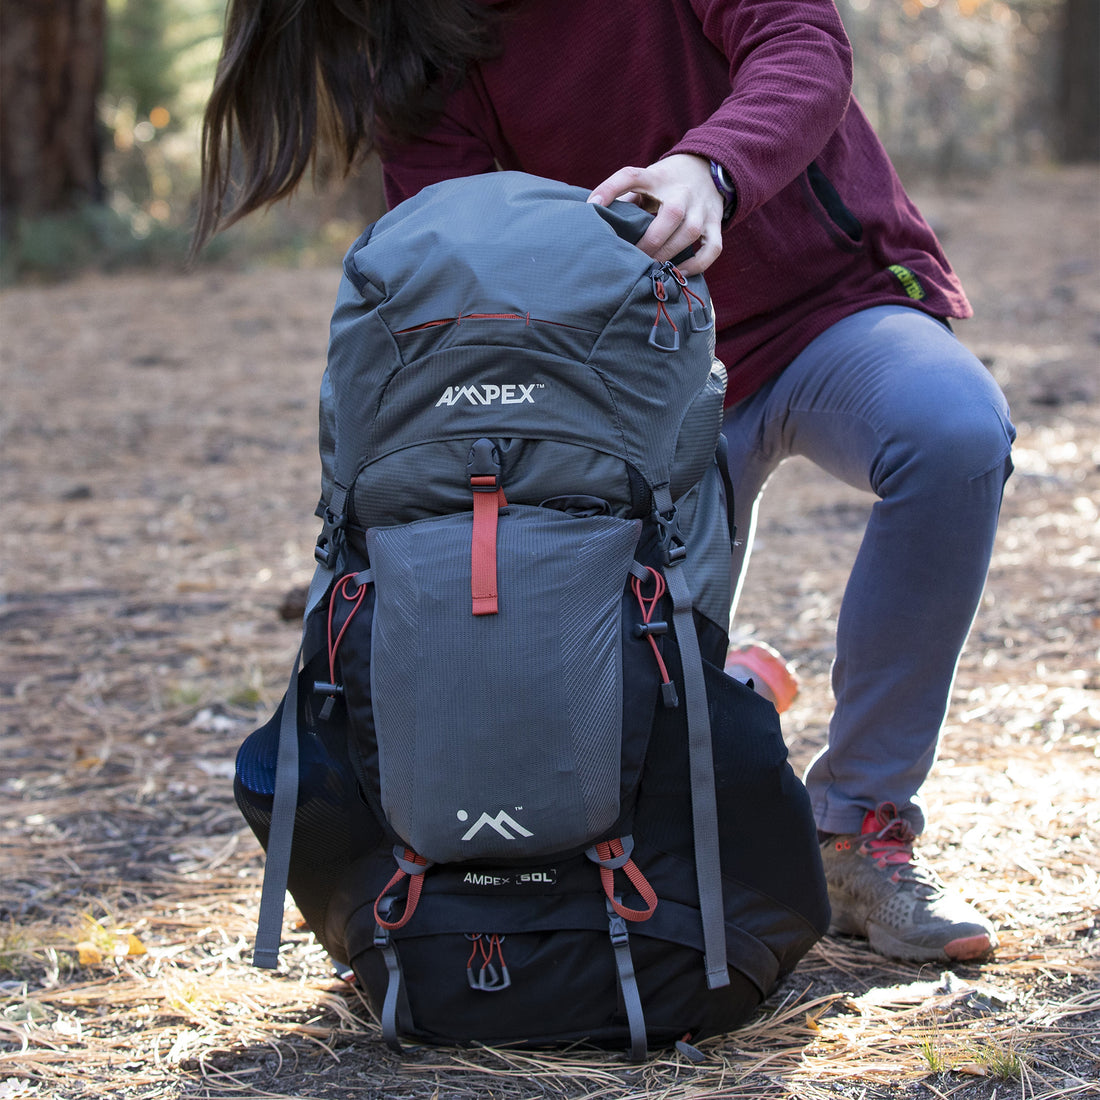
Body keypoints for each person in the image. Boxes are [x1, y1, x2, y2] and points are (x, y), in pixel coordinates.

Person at [195, 0, 1015, 965]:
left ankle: (854, 831)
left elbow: (803, 42)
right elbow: (458, 257)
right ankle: (736, 689)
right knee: (634, 721)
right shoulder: (429, 47)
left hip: (824, 311)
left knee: (953, 433)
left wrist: (710, 167)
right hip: (629, 396)